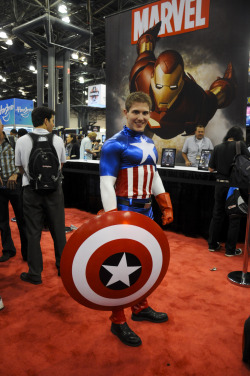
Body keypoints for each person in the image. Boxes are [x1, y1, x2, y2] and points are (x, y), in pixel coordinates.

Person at [99, 92, 174, 347]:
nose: (141, 117)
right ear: (126, 112)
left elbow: (153, 176)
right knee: (121, 268)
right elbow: (106, 184)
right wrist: (112, 219)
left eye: (145, 113)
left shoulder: (150, 144)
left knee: (146, 263)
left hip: (147, 213)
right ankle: (118, 320)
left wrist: (164, 203)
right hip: (124, 213)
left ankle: (140, 307)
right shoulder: (113, 144)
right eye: (136, 112)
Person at [129, 22, 236, 140]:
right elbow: (145, 49)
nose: (164, 96)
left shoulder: (194, 98)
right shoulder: (142, 75)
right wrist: (148, 37)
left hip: (174, 126)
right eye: (159, 86)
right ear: (153, 78)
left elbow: (215, 98)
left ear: (182, 83)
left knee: (218, 94)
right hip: (149, 124)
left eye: (172, 87)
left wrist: (226, 86)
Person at [15, 106, 66, 284]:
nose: (53, 124)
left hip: (31, 191)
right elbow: (60, 166)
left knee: (33, 232)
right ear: (46, 121)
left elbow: (20, 168)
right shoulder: (58, 140)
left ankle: (35, 273)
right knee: (59, 230)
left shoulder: (21, 141)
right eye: (52, 120)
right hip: (54, 192)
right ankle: (63, 268)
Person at [208, 126, 250, 257]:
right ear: (239, 136)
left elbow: (210, 169)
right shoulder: (240, 145)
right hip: (234, 187)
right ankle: (230, 250)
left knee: (217, 215)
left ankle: (212, 245)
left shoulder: (218, 147)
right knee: (234, 217)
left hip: (219, 186)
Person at [0, 119, 28, 262]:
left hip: (15, 185)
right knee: (2, 221)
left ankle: (27, 252)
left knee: (22, 219)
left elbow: (24, 161)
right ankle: (8, 250)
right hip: (0, 188)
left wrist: (15, 174)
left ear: (2, 127)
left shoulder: (14, 141)